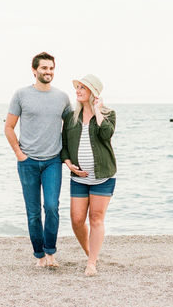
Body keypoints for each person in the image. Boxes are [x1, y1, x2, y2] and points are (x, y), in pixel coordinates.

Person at [4, 52, 71, 267]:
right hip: (28, 162)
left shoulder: (62, 97)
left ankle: (51, 252)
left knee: (51, 207)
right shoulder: (21, 95)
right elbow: (8, 127)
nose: (48, 72)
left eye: (51, 68)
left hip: (53, 161)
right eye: (44, 68)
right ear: (34, 70)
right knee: (33, 212)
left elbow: (72, 127)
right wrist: (19, 154)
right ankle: (39, 256)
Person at [61, 74, 116, 276]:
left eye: (83, 87)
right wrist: (68, 164)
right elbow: (64, 145)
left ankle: (91, 263)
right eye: (78, 87)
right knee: (76, 220)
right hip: (79, 178)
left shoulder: (109, 114)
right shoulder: (70, 117)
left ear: (93, 92)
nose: (78, 90)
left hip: (103, 176)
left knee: (96, 218)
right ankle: (90, 253)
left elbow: (106, 134)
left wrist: (98, 111)